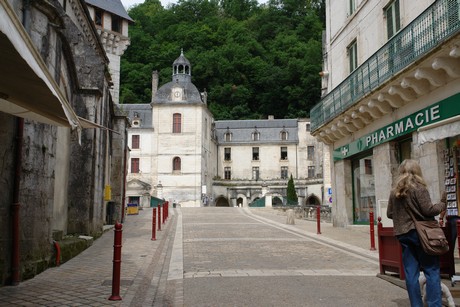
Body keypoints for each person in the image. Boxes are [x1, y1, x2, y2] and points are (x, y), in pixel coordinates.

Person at [387, 159, 447, 307]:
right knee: (431, 270)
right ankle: (434, 304)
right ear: (417, 171)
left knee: (411, 273)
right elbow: (428, 210)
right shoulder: (419, 188)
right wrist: (442, 204)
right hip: (421, 234)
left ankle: (416, 304)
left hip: (403, 234)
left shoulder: (394, 192)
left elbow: (389, 213)